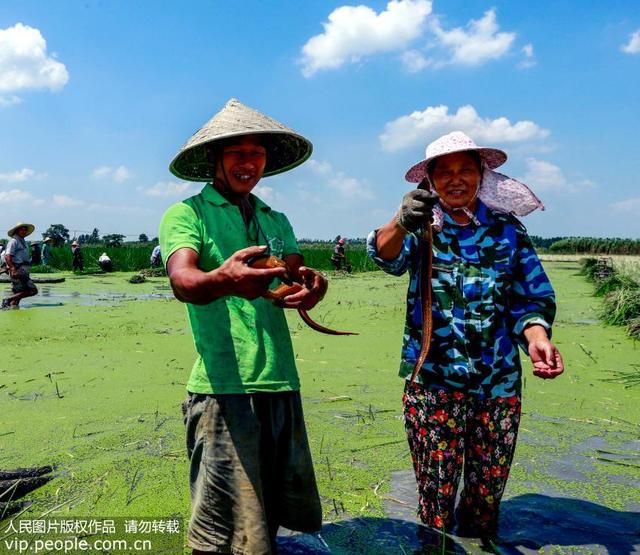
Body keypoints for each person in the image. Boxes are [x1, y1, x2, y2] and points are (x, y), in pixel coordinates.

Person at [367, 131, 564, 543]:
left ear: (481, 175)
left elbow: (530, 296)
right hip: (433, 384)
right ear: (431, 180)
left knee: (485, 499)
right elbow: (385, 255)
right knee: (434, 502)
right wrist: (401, 221)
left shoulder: (509, 230)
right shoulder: (422, 226)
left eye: (465, 170)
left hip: (499, 386)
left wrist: (536, 337)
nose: (456, 180)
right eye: (445, 172)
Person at [159, 98, 326, 555]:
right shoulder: (188, 214)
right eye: (236, 153)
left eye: (256, 153)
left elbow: (293, 276)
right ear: (215, 159)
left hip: (279, 382)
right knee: (218, 530)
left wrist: (311, 286)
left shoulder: (275, 220)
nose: (247, 162)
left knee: (264, 523)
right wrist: (224, 279)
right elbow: (184, 280)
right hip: (223, 386)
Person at [2, 223, 38, 310]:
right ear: (17, 231)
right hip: (18, 270)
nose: (23, 231)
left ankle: (11, 308)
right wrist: (13, 269)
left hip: (23, 270)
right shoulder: (14, 241)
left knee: (18, 294)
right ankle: (8, 299)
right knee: (33, 290)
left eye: (25, 230)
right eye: (21, 229)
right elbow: (8, 256)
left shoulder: (22, 241)